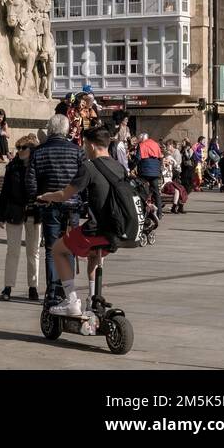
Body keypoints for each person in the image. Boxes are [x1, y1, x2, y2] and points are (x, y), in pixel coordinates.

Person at [37, 126, 128, 317]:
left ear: (93, 146)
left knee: (58, 250)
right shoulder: (118, 167)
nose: (84, 149)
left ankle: (71, 301)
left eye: (85, 145)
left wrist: (46, 196)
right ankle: (93, 299)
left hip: (96, 229)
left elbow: (64, 195)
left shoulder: (90, 166)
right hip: (117, 231)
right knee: (95, 255)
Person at [25, 113, 85, 302]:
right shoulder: (77, 151)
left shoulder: (39, 152)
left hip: (49, 205)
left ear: (49, 130)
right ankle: (67, 291)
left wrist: (37, 199)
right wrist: (79, 199)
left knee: (52, 249)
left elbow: (31, 182)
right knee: (69, 248)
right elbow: (84, 179)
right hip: (72, 206)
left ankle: (52, 292)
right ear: (66, 130)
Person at [0, 134, 41, 301]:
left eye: (23, 148)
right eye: (18, 148)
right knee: (12, 251)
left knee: (33, 252)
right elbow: (5, 193)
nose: (20, 151)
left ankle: (33, 287)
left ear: (32, 150)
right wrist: (0, 216)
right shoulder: (12, 167)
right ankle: (8, 286)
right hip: (14, 212)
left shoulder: (38, 167)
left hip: (34, 212)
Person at [134, 132, 163, 220]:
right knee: (156, 192)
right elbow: (160, 157)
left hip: (144, 171)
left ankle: (142, 211)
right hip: (155, 172)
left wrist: (132, 165)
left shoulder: (142, 145)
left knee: (141, 191)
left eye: (139, 138)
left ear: (143, 138)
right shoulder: (155, 144)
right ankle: (159, 213)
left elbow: (138, 158)